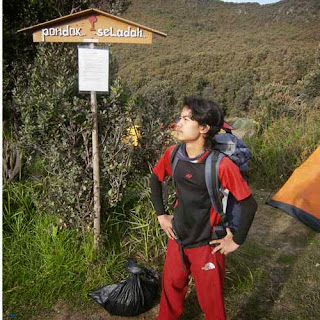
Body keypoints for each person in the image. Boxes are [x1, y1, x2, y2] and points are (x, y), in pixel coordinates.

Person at [149, 96, 257, 320]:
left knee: (212, 300)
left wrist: (236, 240)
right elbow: (155, 178)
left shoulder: (221, 165)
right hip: (177, 237)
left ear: (204, 128)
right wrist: (161, 215)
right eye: (180, 117)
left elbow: (248, 203)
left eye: (186, 119)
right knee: (170, 289)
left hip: (208, 244)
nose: (179, 123)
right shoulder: (173, 154)